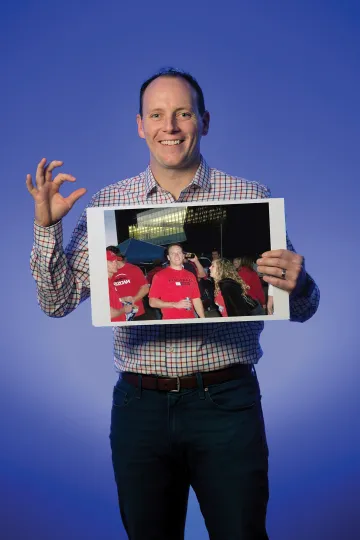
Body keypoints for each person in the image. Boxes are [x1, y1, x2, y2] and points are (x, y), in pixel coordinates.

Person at [27, 67, 320, 540]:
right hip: (140, 407)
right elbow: (57, 303)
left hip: (227, 403)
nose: (171, 126)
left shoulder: (251, 199)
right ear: (140, 125)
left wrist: (301, 283)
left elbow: (303, 306)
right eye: (158, 115)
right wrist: (47, 227)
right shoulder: (110, 205)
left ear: (204, 120)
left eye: (183, 113)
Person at [149, 243, 205, 319]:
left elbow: (196, 299)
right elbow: (152, 302)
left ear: (183, 256)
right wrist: (174, 304)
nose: (176, 255)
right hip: (171, 323)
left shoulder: (190, 275)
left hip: (190, 320)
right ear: (168, 257)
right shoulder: (159, 276)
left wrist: (202, 319)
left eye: (179, 252)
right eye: (173, 253)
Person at [106, 246, 150, 322]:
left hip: (136, 312)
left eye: (114, 259)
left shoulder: (133, 269)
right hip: (119, 313)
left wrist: (132, 301)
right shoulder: (109, 274)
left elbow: (145, 288)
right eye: (111, 260)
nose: (114, 262)